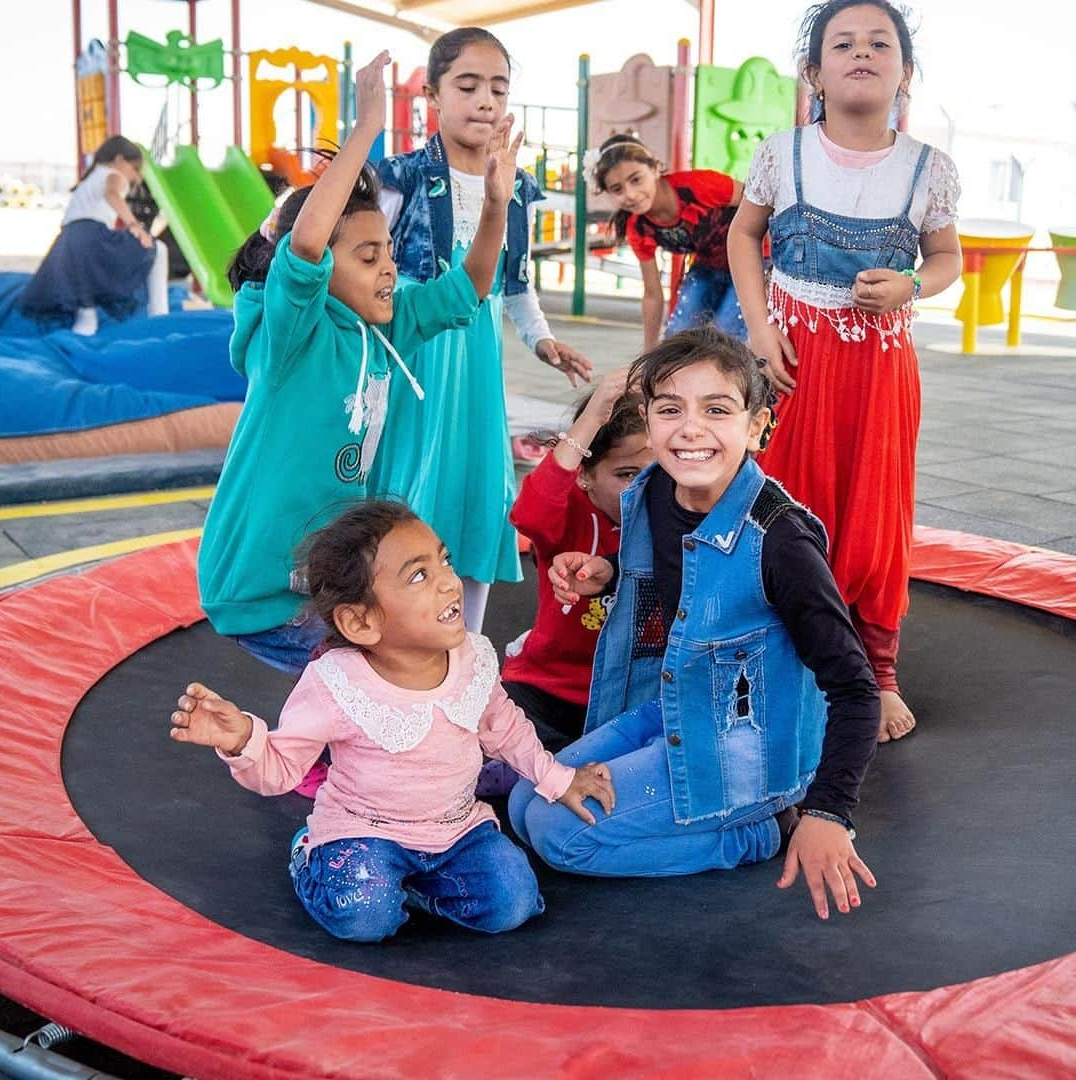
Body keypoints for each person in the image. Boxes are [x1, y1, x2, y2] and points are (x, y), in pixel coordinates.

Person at [509, 327, 880, 922]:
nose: (691, 429)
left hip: (743, 750)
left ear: (757, 426)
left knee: (559, 833)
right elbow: (684, 571)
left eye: (716, 410)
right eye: (671, 409)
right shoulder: (657, 490)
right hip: (675, 707)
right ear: (648, 419)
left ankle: (755, 832)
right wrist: (608, 570)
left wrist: (828, 814)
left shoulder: (782, 542)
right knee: (529, 796)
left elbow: (856, 688)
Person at [197, 52, 518, 678]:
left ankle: (343, 751)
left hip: (321, 582)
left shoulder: (387, 328)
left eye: (388, 252)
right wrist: (368, 125)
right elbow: (309, 243)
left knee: (411, 651)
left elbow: (470, 288)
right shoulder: (295, 333)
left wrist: (496, 205)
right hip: (261, 589)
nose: (389, 268)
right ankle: (336, 762)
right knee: (393, 667)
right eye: (369, 257)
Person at [170, 502, 615, 941]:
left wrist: (558, 779)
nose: (449, 583)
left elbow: (505, 727)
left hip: (457, 830)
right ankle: (311, 857)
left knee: (512, 903)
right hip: (363, 831)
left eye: (445, 561)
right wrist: (244, 739)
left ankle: (415, 889)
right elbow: (282, 769)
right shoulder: (336, 683)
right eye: (420, 576)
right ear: (361, 622)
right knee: (364, 917)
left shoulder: (472, 658)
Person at [727, 0, 962, 742]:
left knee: (876, 510)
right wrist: (760, 329)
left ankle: (875, 670)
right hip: (793, 360)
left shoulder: (927, 168)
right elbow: (743, 234)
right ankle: (770, 656)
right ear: (814, 72)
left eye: (880, 43)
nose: (862, 53)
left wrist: (912, 285)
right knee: (783, 503)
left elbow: (947, 257)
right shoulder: (783, 153)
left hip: (880, 370)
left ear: (905, 71)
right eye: (843, 43)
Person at [372, 27, 593, 633]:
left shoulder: (517, 186)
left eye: (498, 88)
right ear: (433, 97)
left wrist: (542, 340)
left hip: (475, 363)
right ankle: (392, 640)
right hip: (415, 355)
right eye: (467, 86)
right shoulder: (402, 178)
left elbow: (515, 284)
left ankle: (463, 645)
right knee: (408, 489)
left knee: (478, 496)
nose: (485, 100)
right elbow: (366, 268)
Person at [501, 370, 652, 752]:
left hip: (628, 700)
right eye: (625, 474)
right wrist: (591, 419)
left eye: (654, 472)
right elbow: (529, 511)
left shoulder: (670, 515)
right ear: (585, 475)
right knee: (503, 734)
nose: (641, 487)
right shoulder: (570, 511)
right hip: (547, 689)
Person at [584, 133, 743, 350]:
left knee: (727, 333)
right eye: (617, 189)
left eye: (636, 179)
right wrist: (649, 354)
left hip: (752, 260)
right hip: (709, 266)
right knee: (678, 337)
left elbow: (758, 201)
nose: (630, 194)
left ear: (655, 168)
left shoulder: (699, 185)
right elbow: (652, 294)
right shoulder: (638, 227)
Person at [17, 135, 169, 335]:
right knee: (158, 249)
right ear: (120, 161)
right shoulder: (115, 175)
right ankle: (159, 314)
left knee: (84, 280)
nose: (136, 178)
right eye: (135, 169)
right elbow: (112, 194)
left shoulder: (90, 177)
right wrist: (134, 225)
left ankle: (86, 320)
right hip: (90, 236)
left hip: (67, 241)